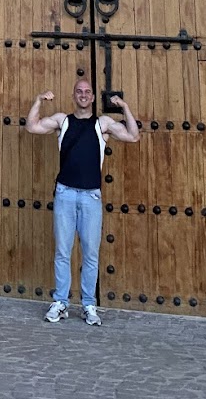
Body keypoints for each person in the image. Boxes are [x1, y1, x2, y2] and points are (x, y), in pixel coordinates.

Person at [25, 81, 140, 325]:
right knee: (63, 252)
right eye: (79, 91)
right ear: (73, 95)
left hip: (91, 197)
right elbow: (32, 127)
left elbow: (133, 136)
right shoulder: (62, 121)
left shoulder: (103, 124)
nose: (84, 95)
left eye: (87, 92)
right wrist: (38, 100)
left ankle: (89, 305)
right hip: (65, 193)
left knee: (90, 254)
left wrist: (125, 107)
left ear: (92, 97)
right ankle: (61, 302)